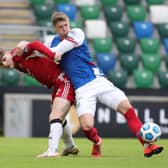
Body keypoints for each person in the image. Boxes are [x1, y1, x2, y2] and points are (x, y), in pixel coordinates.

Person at [44, 11, 164, 158]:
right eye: (60, 27)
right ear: (55, 28)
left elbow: (57, 51)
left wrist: (48, 53)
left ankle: (148, 146)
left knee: (127, 108)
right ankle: (97, 141)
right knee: (87, 126)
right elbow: (42, 54)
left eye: (66, 25)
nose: (65, 29)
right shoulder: (51, 42)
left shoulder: (76, 33)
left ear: (69, 24)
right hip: (82, 89)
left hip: (98, 81)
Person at [0, 41, 79, 158]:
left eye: (4, 59)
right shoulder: (15, 62)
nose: (4, 64)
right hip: (56, 83)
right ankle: (70, 146)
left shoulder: (17, 54)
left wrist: (51, 55)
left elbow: (35, 45)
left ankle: (52, 151)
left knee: (55, 116)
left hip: (63, 80)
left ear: (7, 53)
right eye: (1, 63)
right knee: (58, 117)